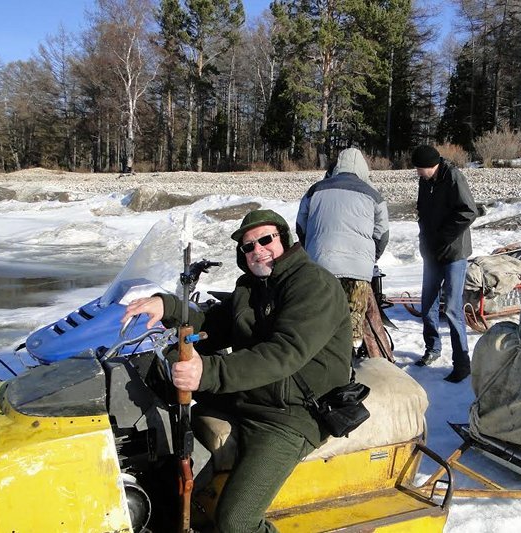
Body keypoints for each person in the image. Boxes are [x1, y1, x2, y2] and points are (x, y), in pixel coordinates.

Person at [122, 209, 353, 533]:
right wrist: (167, 307)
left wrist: (208, 372)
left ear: (284, 240)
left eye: (265, 239)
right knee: (162, 405)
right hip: (252, 395)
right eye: (248, 246)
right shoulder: (251, 287)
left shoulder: (313, 285)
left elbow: (283, 354)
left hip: (292, 414)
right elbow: (212, 324)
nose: (257, 250)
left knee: (237, 522)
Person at [295, 147, 389, 350]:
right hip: (357, 269)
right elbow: (382, 235)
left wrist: (309, 250)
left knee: (319, 317)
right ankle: (350, 362)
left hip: (320, 265)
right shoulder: (373, 195)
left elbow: (301, 225)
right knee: (353, 322)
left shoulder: (316, 189)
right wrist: (370, 259)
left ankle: (320, 359)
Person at [411, 145, 478, 383]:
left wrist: (443, 238)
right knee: (427, 302)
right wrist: (424, 241)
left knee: (452, 307)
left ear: (432, 166)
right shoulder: (425, 181)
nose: (418, 173)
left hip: (454, 253)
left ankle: (462, 362)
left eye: (420, 169)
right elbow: (423, 212)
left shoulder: (453, 177)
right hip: (432, 254)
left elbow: (469, 212)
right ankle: (432, 348)